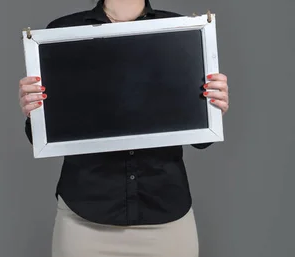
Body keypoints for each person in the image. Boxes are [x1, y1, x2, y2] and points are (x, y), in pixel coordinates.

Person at [18, 0, 230, 256]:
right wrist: (35, 111)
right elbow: (45, 136)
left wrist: (212, 105)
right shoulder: (64, 32)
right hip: (85, 219)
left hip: (165, 216)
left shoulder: (180, 30)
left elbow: (200, 140)